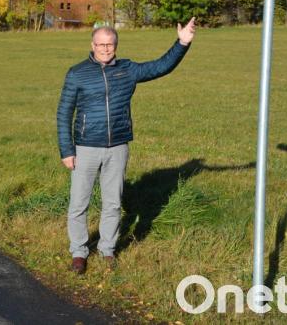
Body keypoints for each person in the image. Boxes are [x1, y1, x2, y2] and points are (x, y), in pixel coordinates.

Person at [56, 17, 196, 275]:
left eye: (109, 45)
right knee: (79, 203)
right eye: (101, 45)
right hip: (85, 147)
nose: (105, 49)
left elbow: (160, 67)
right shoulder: (77, 73)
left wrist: (182, 43)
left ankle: (107, 249)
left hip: (117, 146)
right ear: (92, 45)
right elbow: (64, 113)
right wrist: (67, 150)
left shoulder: (127, 70)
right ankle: (79, 252)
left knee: (112, 203)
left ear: (116, 46)